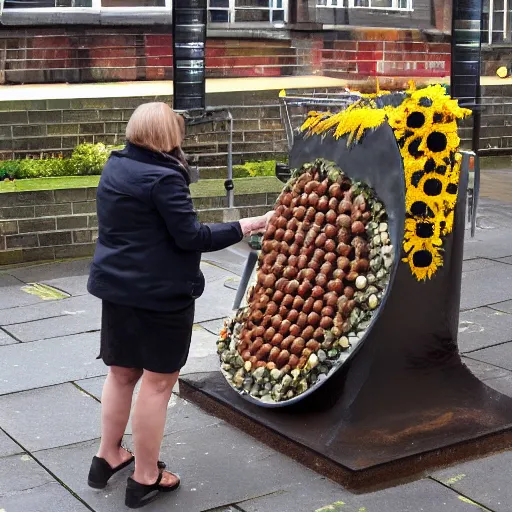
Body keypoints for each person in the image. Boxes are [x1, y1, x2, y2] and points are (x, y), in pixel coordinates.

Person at [86, 102, 272, 509]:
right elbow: (190, 236)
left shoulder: (117, 165)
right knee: (157, 384)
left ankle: (108, 456)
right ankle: (145, 477)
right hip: (159, 296)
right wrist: (249, 224)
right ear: (167, 138)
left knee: (121, 375)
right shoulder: (164, 178)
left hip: (118, 290)